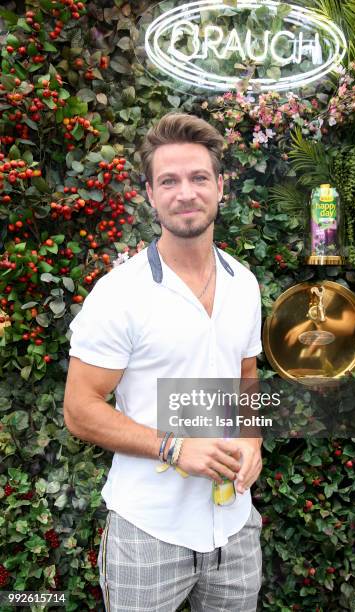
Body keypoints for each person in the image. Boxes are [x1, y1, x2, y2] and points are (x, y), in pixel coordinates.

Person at [63, 112, 264, 612]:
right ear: (150, 195)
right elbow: (79, 409)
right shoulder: (120, 294)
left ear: (221, 187)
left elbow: (247, 378)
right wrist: (175, 448)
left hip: (236, 527)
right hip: (148, 531)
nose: (185, 193)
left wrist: (254, 439)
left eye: (199, 178)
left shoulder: (246, 284)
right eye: (168, 181)